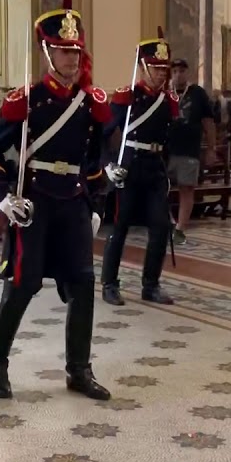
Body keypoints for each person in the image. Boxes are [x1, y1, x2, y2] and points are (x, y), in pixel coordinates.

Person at [0, 0, 112, 401]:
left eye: (76, 51)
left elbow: (95, 161)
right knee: (22, 284)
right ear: (47, 52)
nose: (72, 58)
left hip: (73, 202)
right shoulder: (27, 101)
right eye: (63, 50)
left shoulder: (90, 104)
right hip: (33, 202)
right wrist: (4, 198)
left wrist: (95, 204)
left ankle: (79, 370)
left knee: (83, 285)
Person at [100, 28, 179, 306]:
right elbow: (102, 134)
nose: (161, 74)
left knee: (160, 227)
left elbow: (170, 138)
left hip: (155, 168)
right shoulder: (127, 97)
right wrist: (108, 165)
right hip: (129, 167)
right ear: (143, 67)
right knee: (119, 226)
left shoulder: (168, 100)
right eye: (155, 68)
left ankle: (151, 284)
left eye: (164, 69)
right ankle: (110, 283)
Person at [166, 58, 220, 245]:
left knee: (186, 188)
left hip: (189, 149)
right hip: (166, 150)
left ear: (187, 73)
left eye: (181, 71)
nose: (178, 75)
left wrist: (212, 148)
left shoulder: (197, 93)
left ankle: (180, 228)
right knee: (159, 187)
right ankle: (166, 222)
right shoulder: (165, 93)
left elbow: (208, 122)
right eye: (174, 71)